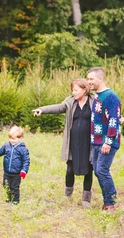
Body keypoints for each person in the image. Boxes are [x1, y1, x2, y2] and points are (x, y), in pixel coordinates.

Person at [32, 78, 95, 208]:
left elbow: (108, 112)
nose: (73, 92)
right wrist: (42, 109)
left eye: (76, 90)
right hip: (73, 141)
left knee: (89, 168)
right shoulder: (70, 102)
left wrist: (119, 118)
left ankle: (86, 199)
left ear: (84, 90)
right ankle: (67, 195)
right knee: (70, 168)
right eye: (72, 90)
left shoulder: (95, 102)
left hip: (88, 143)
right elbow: (58, 107)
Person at [86, 67, 122, 213]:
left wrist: (108, 141)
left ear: (100, 79)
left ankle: (111, 203)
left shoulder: (110, 96)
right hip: (96, 140)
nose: (89, 82)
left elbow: (114, 119)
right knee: (97, 171)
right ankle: (106, 201)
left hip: (106, 142)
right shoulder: (97, 96)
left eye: (91, 79)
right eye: (88, 79)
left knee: (102, 170)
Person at [0, 126, 30, 205]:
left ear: (20, 138)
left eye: (14, 139)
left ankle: (15, 200)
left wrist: (24, 171)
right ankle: (9, 197)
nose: (12, 141)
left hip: (17, 173)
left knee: (14, 187)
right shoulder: (7, 145)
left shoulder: (23, 149)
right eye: (10, 138)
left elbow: (26, 161)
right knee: (6, 185)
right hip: (7, 171)